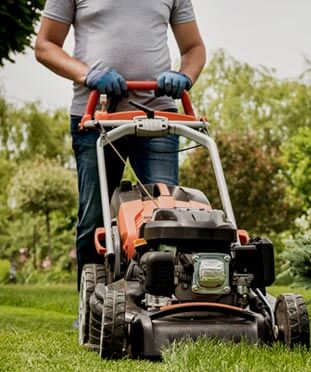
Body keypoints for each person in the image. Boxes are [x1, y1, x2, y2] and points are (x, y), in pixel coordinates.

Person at [35, 0, 206, 288]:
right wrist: (87, 74)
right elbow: (45, 45)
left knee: (166, 215)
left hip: (158, 116)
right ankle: (92, 302)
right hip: (97, 118)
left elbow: (194, 48)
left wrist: (184, 75)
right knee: (95, 219)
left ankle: (165, 301)